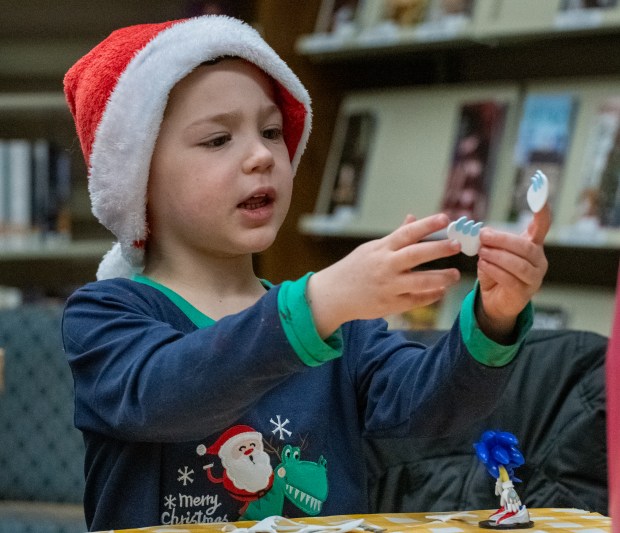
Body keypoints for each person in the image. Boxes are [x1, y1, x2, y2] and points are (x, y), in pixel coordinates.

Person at [61, 15, 550, 531]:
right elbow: (165, 394)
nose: (262, 155)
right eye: (218, 139)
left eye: (272, 131)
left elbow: (434, 406)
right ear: (137, 179)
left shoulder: (336, 321)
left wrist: (495, 315)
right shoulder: (103, 314)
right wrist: (319, 304)